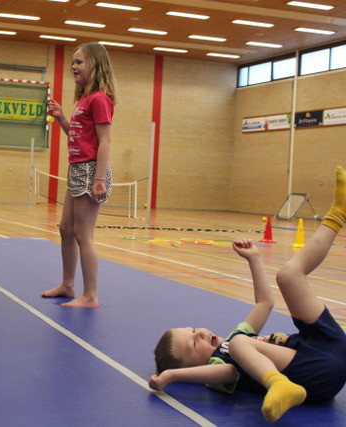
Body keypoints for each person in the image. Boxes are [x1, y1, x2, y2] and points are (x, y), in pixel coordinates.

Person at [149, 167, 346, 422]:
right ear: (196, 366)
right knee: (240, 344)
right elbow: (228, 373)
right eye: (194, 343)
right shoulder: (218, 365)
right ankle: (278, 384)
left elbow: (265, 303)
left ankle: (337, 214)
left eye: (194, 329)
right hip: (316, 374)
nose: (201, 333)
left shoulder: (237, 338)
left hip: (325, 347)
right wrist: (173, 376)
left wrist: (254, 259)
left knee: (288, 276)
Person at [41, 42, 116, 308]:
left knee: (84, 234)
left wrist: (99, 179)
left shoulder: (99, 99)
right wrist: (61, 117)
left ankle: (90, 295)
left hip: (89, 170)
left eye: (79, 62)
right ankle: (68, 284)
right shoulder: (84, 99)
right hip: (77, 168)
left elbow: (104, 141)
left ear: (95, 65)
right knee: (66, 229)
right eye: (73, 62)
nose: (73, 66)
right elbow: (76, 134)